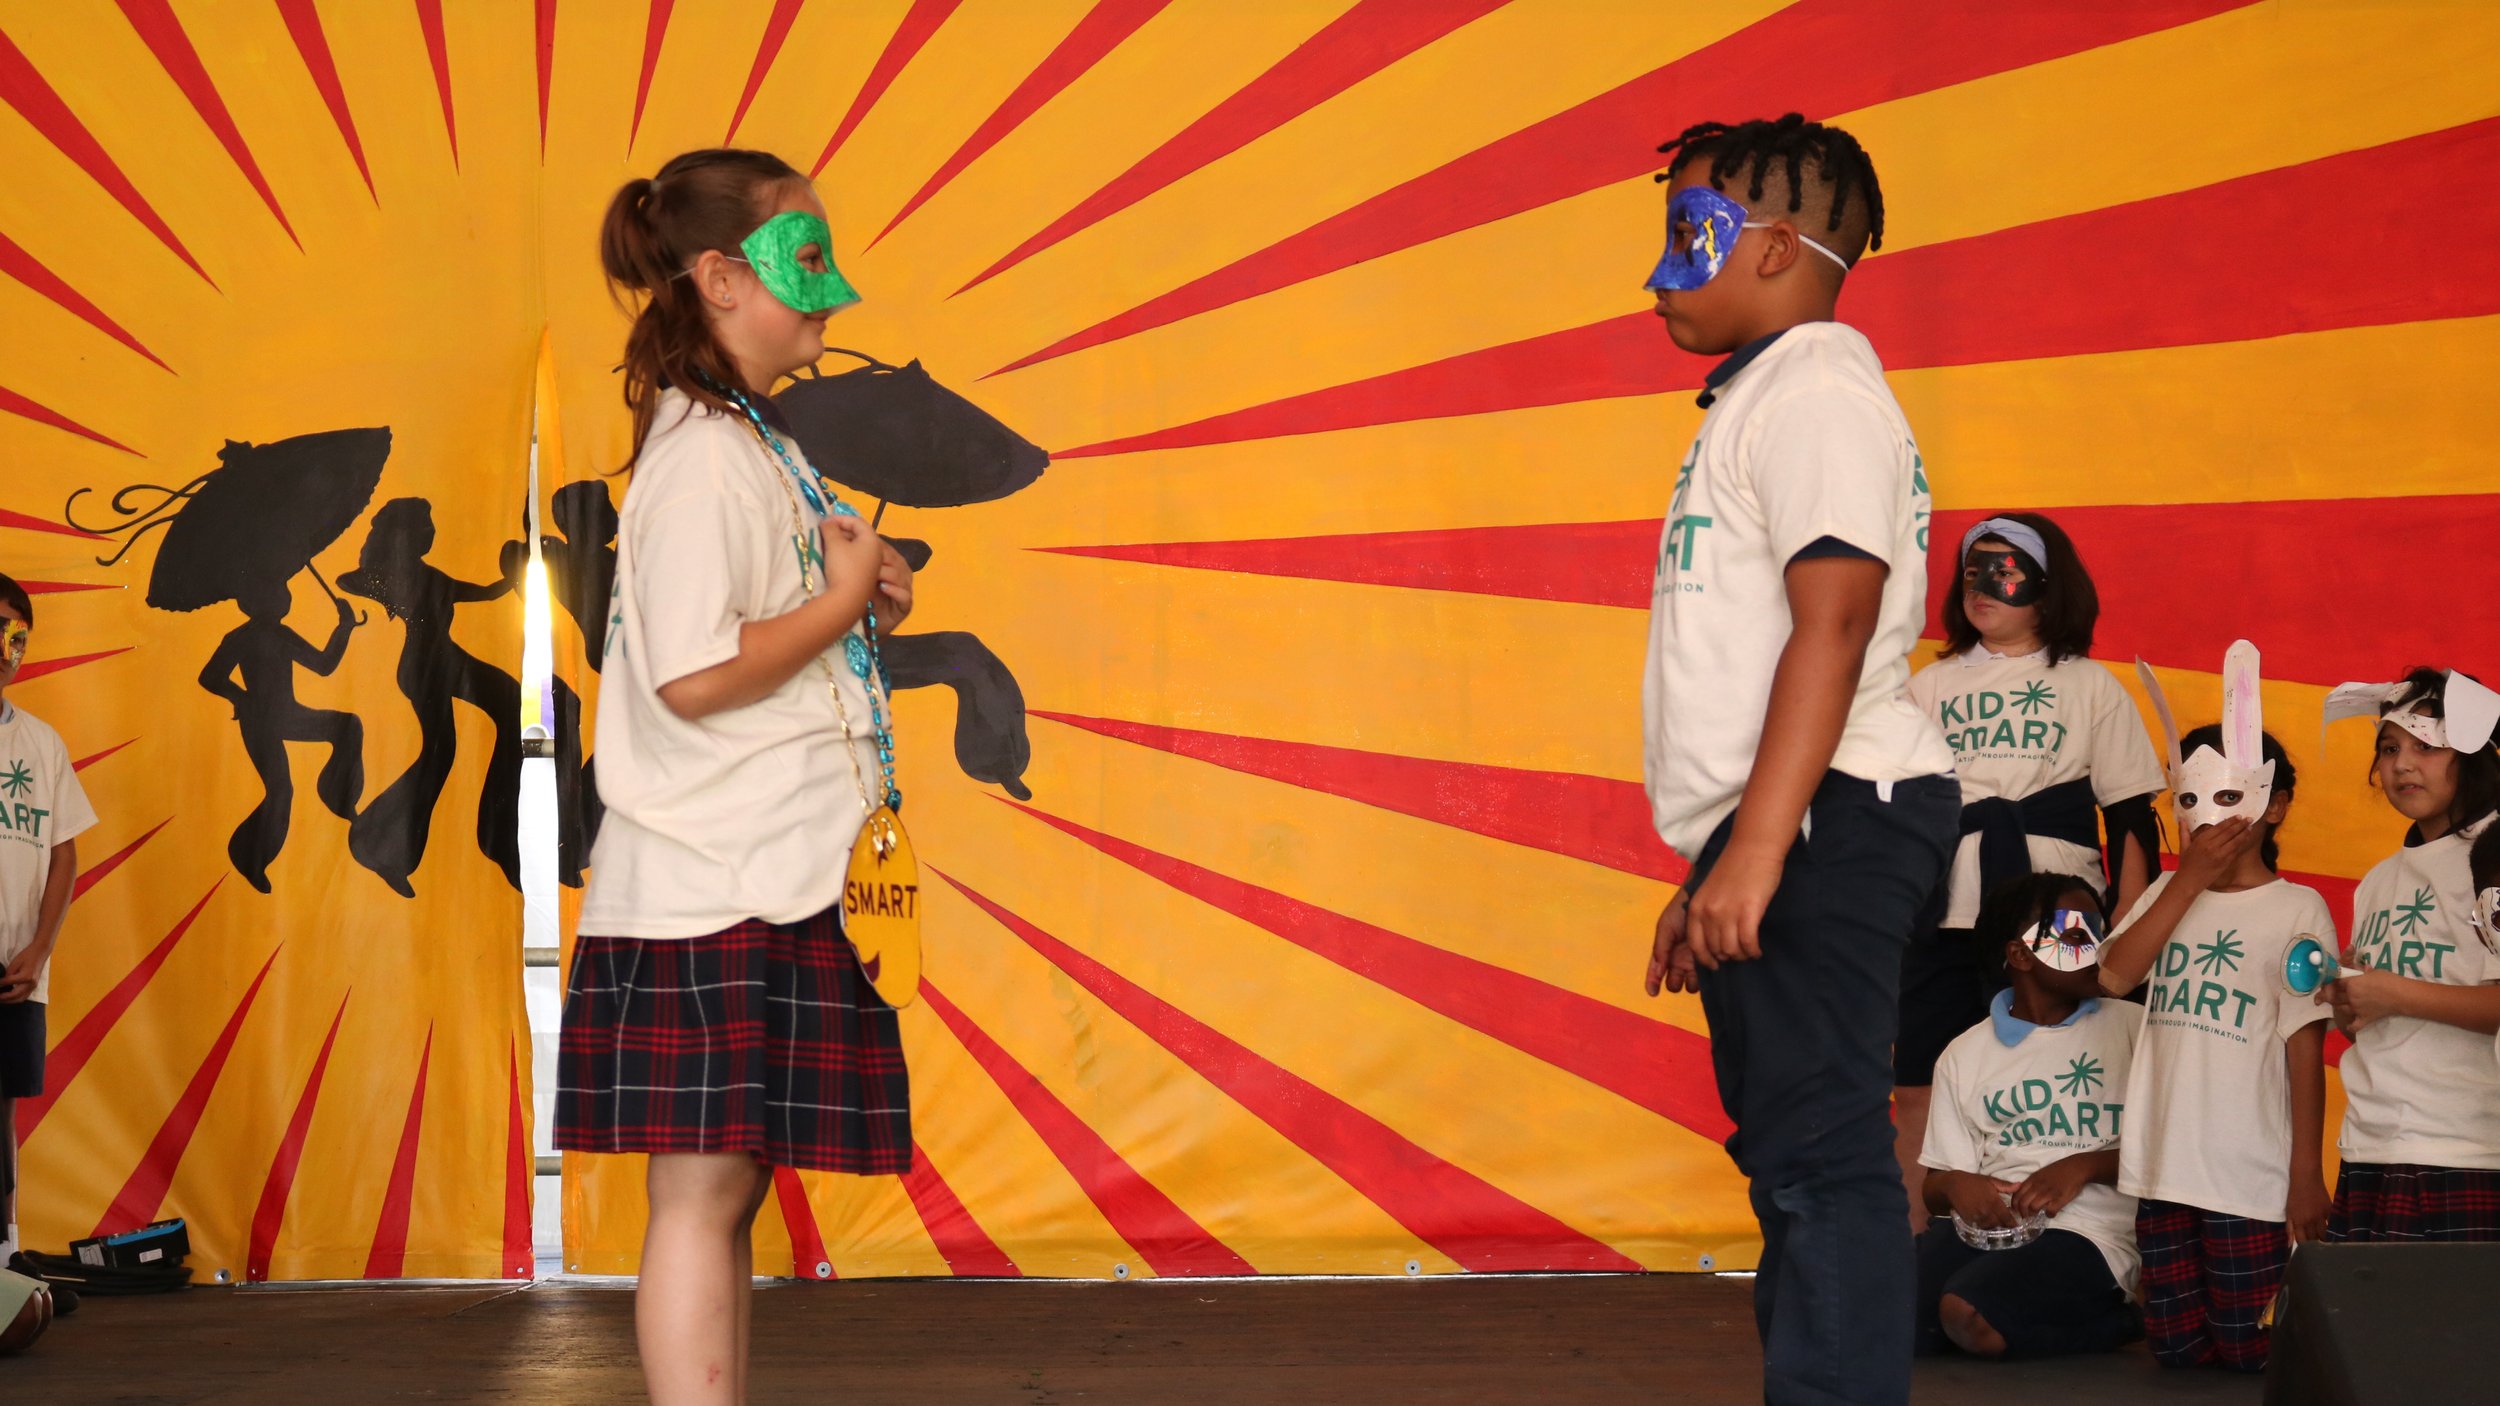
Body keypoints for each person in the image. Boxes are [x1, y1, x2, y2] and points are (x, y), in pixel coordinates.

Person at [553, 148, 918, 1406]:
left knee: (727, 1186)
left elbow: (751, 627)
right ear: (719, 277)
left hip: (770, 866)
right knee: (704, 1189)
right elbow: (696, 673)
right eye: (804, 258)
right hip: (720, 877)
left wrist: (849, 592)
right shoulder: (706, 454)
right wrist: (835, 601)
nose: (833, 288)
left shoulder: (749, 440)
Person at [1638, 112, 1960, 1406]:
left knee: (1822, 1156)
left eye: (1688, 233)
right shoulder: (1772, 395)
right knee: (1791, 1156)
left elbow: (1835, 621)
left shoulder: (1819, 391)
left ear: (1772, 247)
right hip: (1797, 818)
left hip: (1832, 813)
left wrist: (1762, 845)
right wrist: (1717, 857)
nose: (1659, 270)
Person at [1895, 512, 2163, 1229]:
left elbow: (2130, 813)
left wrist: (2129, 923)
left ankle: (2088, 1237)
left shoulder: (2089, 685)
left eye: (2005, 573)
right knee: (1919, 1080)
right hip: (1944, 909)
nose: (1983, 587)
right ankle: (1916, 1254)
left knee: (2073, 1068)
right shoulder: (1929, 686)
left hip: (2057, 917)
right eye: (1972, 572)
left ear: (2049, 589)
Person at [2097, 696, 2331, 1374]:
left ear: (2275, 805)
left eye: (2229, 796)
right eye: (2189, 798)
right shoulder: (2163, 896)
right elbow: (2113, 976)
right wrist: (2188, 880)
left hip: (2247, 1179)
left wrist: (2305, 1176)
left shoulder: (2298, 908)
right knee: (2177, 1352)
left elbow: (2304, 1046)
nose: (2206, 815)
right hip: (2162, 1168)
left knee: (2252, 1350)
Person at [1915, 873, 2140, 1360]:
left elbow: (2176, 1147)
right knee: (1887, 1317)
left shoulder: (2135, 1029)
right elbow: (1934, 1187)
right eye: (2077, 935)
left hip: (2088, 1235)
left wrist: (2084, 1166)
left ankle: (2120, 1322)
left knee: (1965, 1313)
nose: (2099, 948)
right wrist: (1956, 1184)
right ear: (2019, 955)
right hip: (1990, 1231)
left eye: (2100, 932)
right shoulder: (1964, 1054)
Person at [2320, 667, 2500, 1239]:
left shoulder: (2493, 857)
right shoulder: (2377, 881)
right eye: (2389, 747)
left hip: (2467, 1148)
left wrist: (2394, 993)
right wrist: (2351, 1003)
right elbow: (2373, 1028)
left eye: (2426, 745)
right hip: (2369, 1143)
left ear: (2472, 752)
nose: (2401, 765)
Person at [0, 574, 99, 1268]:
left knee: (1, 1109)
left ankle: (5, 1259)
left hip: (16, 966)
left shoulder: (41, 744)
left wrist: (38, 949)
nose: (7, 647)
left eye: (18, 635)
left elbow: (64, 853)